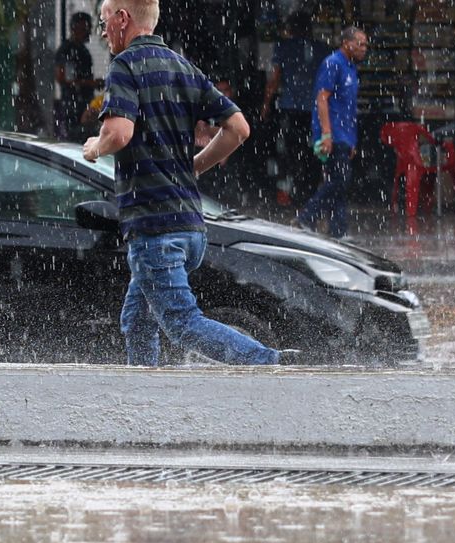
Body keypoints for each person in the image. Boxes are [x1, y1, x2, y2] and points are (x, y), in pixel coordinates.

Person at [82, 0, 293, 367]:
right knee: (137, 318)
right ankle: (143, 391)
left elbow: (119, 133)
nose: (102, 32)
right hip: (191, 227)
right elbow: (239, 128)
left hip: (155, 227)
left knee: (181, 324)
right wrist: (194, 166)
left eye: (104, 23)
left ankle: (268, 362)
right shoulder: (182, 66)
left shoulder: (125, 66)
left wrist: (94, 147)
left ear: (122, 18)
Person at [295, 26, 366, 240]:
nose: (364, 49)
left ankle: (338, 230)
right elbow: (322, 98)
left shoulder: (351, 68)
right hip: (333, 132)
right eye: (360, 44)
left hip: (345, 133)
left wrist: (352, 139)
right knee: (339, 180)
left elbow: (349, 107)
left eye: (366, 45)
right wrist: (326, 134)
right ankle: (307, 216)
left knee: (340, 181)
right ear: (347, 43)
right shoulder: (333, 64)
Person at [260, 12, 322, 202]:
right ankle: (309, 191)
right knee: (313, 153)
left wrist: (265, 104)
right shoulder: (321, 49)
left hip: (290, 107)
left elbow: (275, 79)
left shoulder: (283, 48)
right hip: (315, 109)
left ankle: (290, 192)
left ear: (291, 29)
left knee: (290, 152)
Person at [54, 12, 101, 141]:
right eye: (86, 29)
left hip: (84, 102)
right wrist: (89, 83)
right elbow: (62, 77)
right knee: (76, 138)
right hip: (73, 105)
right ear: (76, 28)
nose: (89, 33)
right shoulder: (67, 50)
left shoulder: (83, 51)